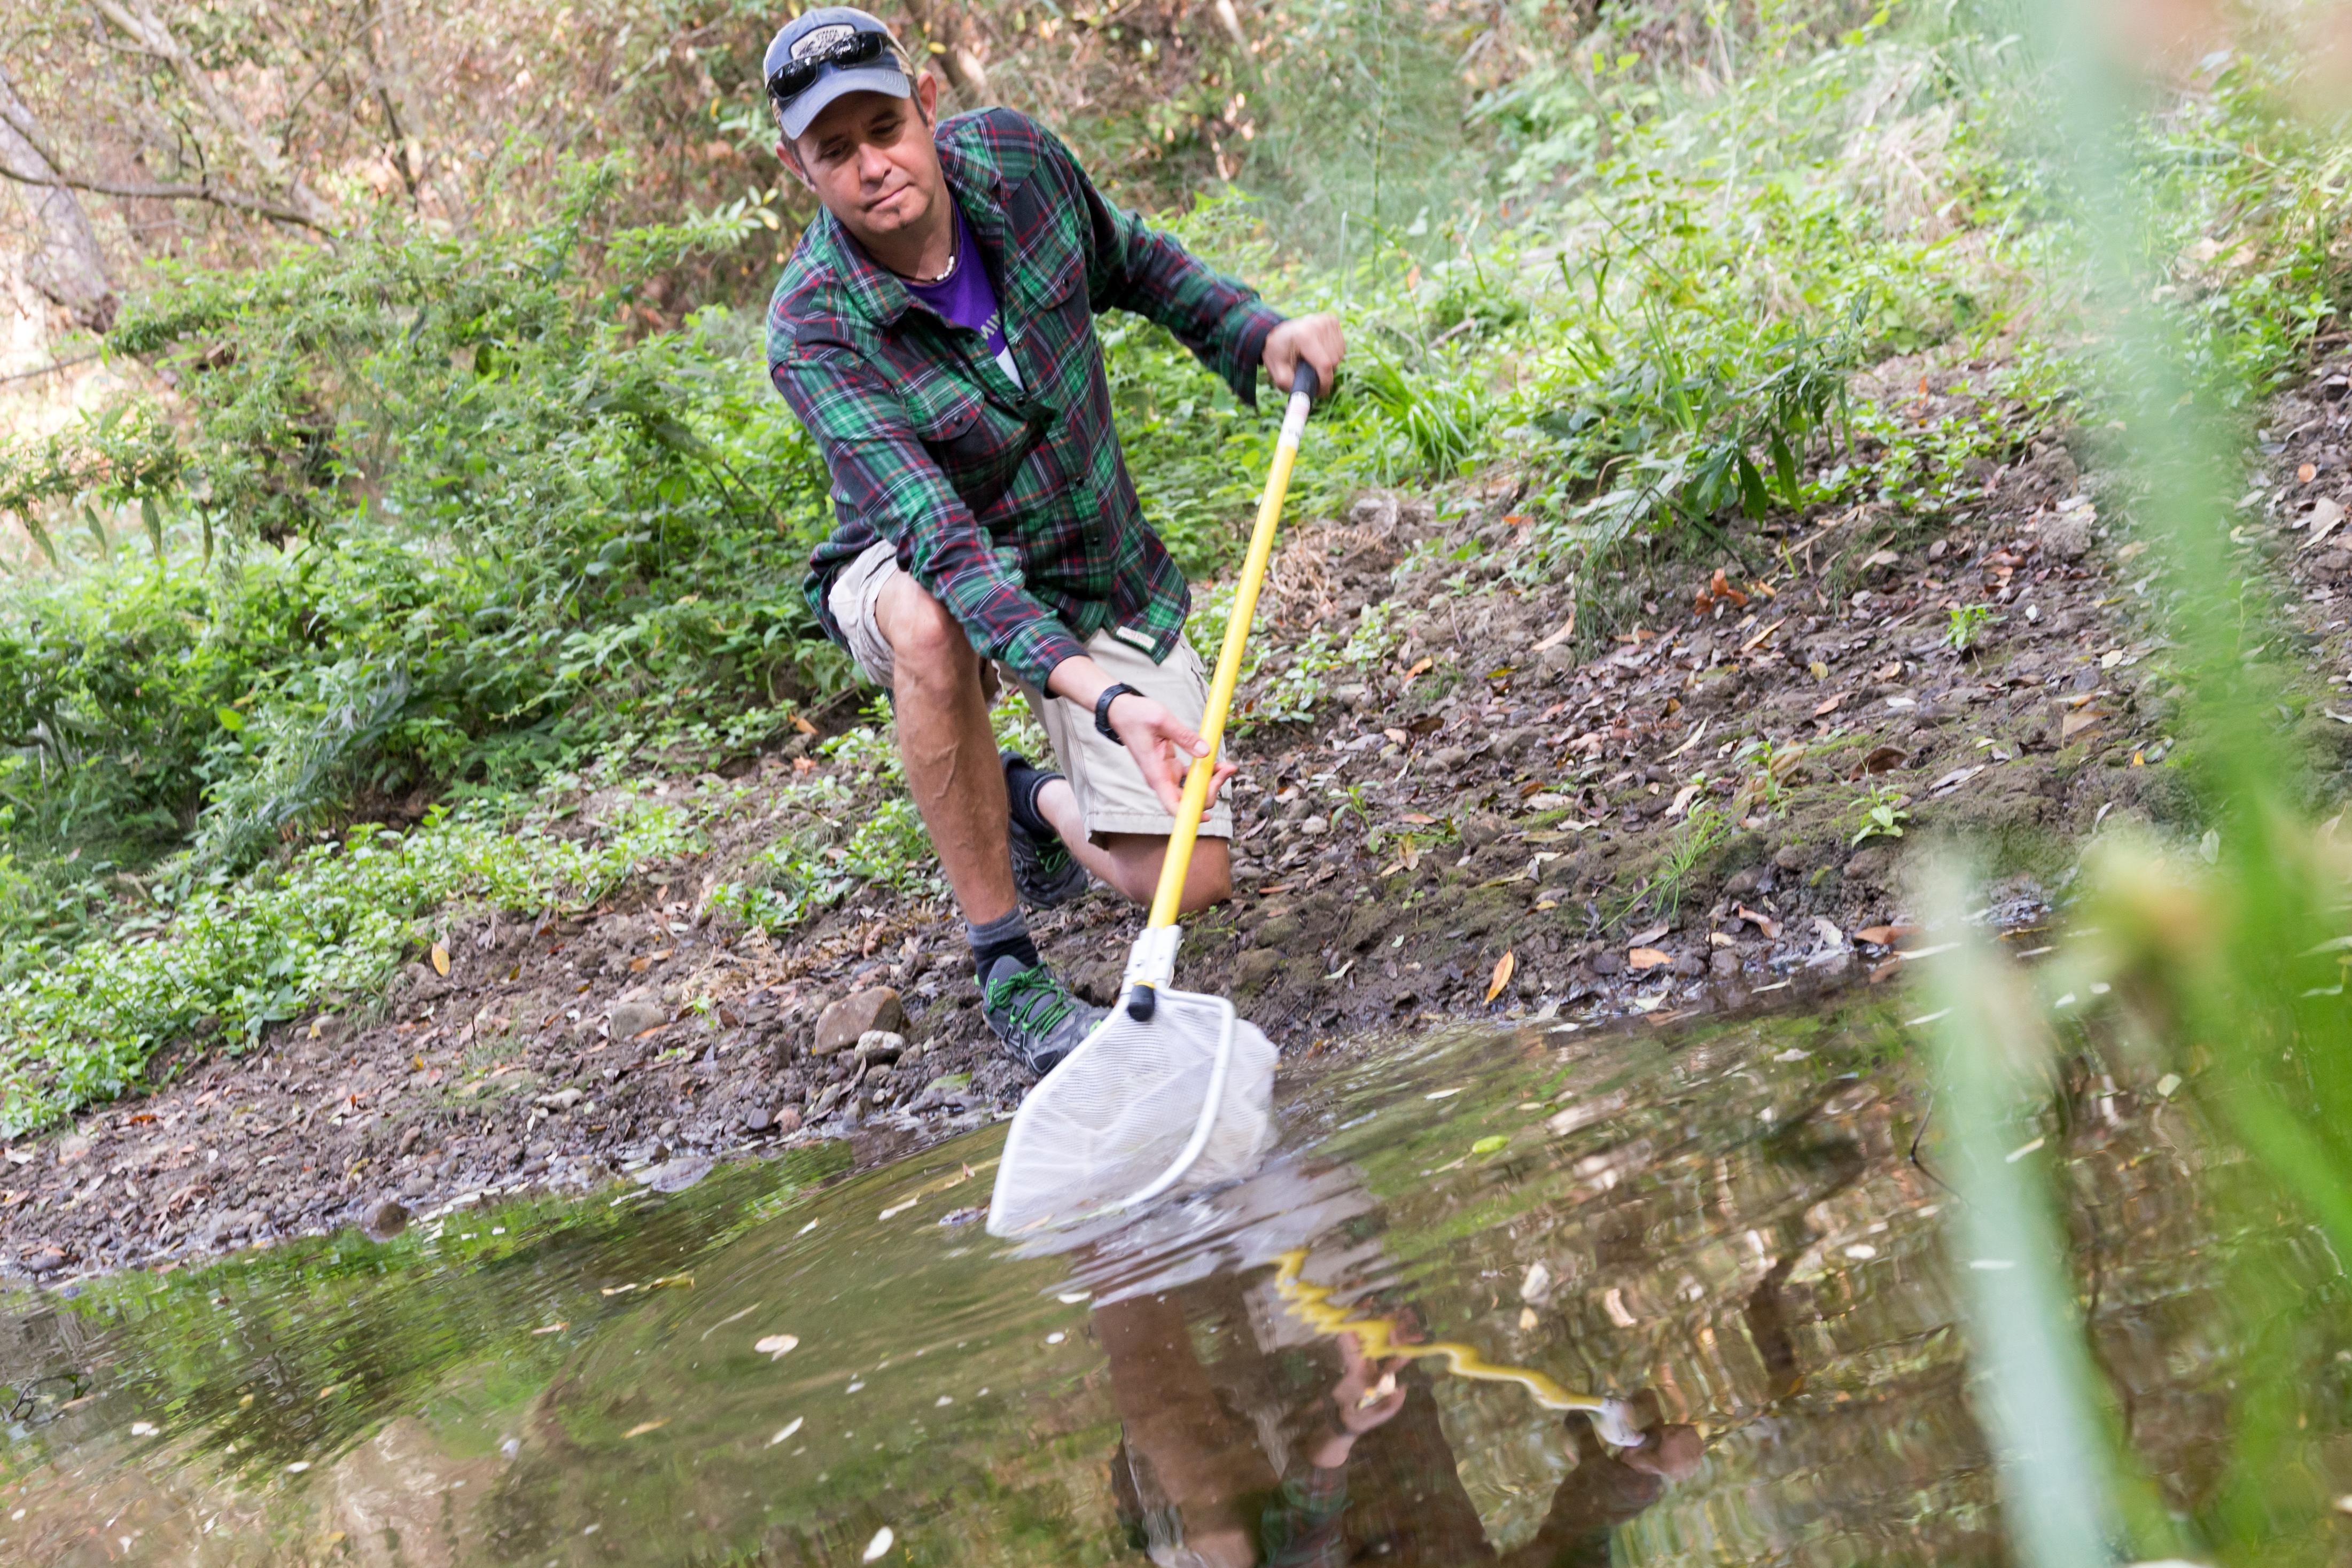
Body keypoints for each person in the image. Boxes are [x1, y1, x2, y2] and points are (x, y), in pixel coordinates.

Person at [761, 7, 1345, 1076]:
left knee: (1186, 880)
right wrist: (1110, 704)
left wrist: (1258, 332)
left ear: (925, 105)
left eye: (883, 128)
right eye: (833, 150)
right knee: (931, 623)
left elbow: (1134, 264)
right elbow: (938, 538)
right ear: (798, 165)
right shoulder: (813, 326)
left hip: (1083, 553)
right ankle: (1004, 962)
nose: (871, 166)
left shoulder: (1020, 166)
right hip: (908, 554)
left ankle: (1028, 800)